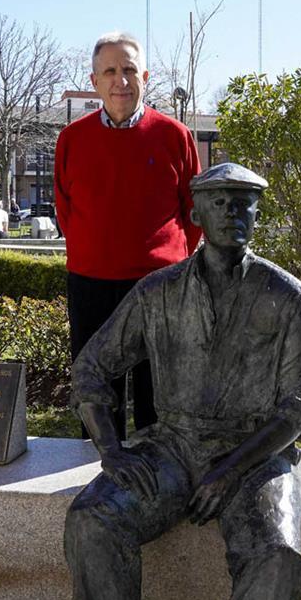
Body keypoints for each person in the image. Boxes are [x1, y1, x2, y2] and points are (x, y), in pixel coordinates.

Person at [64, 163, 301, 600]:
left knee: (278, 559)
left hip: (254, 454)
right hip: (172, 448)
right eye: (218, 203)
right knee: (91, 520)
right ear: (196, 213)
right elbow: (92, 368)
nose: (231, 212)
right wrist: (111, 450)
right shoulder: (157, 292)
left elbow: (296, 411)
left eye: (243, 204)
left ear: (258, 212)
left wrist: (230, 470)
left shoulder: (291, 298)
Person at [54, 31, 202, 439]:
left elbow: (195, 211)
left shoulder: (176, 136)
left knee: (159, 388)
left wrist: (170, 258)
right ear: (94, 81)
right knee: (98, 388)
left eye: (130, 70)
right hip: (90, 281)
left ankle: (160, 473)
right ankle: (95, 472)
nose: (121, 80)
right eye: (111, 71)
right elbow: (65, 207)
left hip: (160, 284)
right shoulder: (71, 139)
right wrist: (93, 248)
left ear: (145, 76)